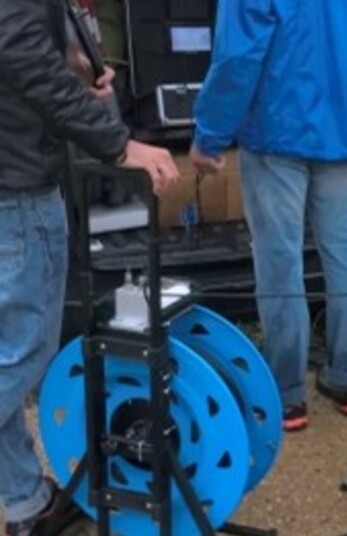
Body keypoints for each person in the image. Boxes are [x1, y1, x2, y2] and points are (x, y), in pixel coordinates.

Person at [0, 1, 180, 535]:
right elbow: (20, 53)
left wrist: (73, 67)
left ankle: (26, 502)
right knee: (24, 355)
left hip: (15, 184)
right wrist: (118, 144)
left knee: (10, 351)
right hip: (17, 196)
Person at [191, 0, 347, 432]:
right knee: (345, 245)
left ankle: (285, 393)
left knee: (279, 259)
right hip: (344, 120)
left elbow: (238, 55)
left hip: (278, 123)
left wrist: (209, 135)